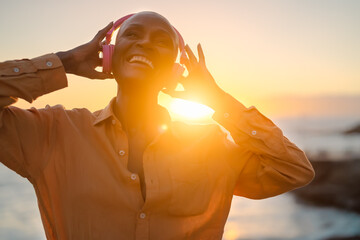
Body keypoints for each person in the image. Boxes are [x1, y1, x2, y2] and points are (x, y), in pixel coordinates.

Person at [0, 11, 314, 240]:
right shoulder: (54, 132)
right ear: (109, 55)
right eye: (132, 35)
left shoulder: (210, 147)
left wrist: (218, 99)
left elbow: (293, 169)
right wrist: (64, 62)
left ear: (175, 71)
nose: (145, 44)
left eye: (160, 41)